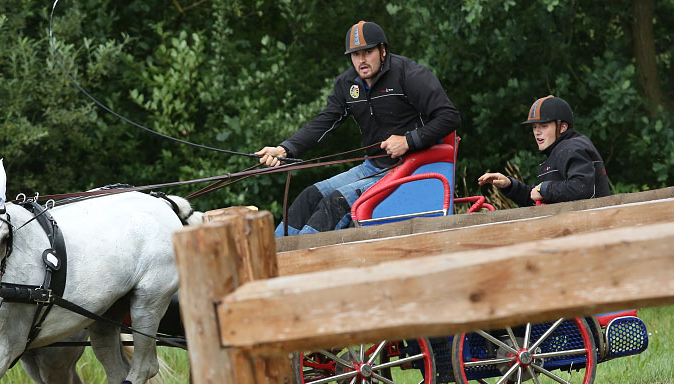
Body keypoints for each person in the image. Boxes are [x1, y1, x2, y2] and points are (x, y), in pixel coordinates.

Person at [255, 21, 461, 236]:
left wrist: (408, 141)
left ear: (382, 51)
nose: (361, 60)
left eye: (367, 52)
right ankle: (274, 258)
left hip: (410, 166)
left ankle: (300, 264)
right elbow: (324, 123)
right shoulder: (347, 84)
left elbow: (450, 117)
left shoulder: (409, 74)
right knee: (308, 196)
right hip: (372, 167)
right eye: (355, 55)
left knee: (334, 203)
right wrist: (284, 149)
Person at [478, 95, 610, 206]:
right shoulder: (558, 150)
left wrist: (544, 189)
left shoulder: (570, 148)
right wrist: (510, 185)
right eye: (534, 127)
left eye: (544, 126)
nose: (537, 132)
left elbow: (582, 187)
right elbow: (538, 200)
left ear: (563, 127)